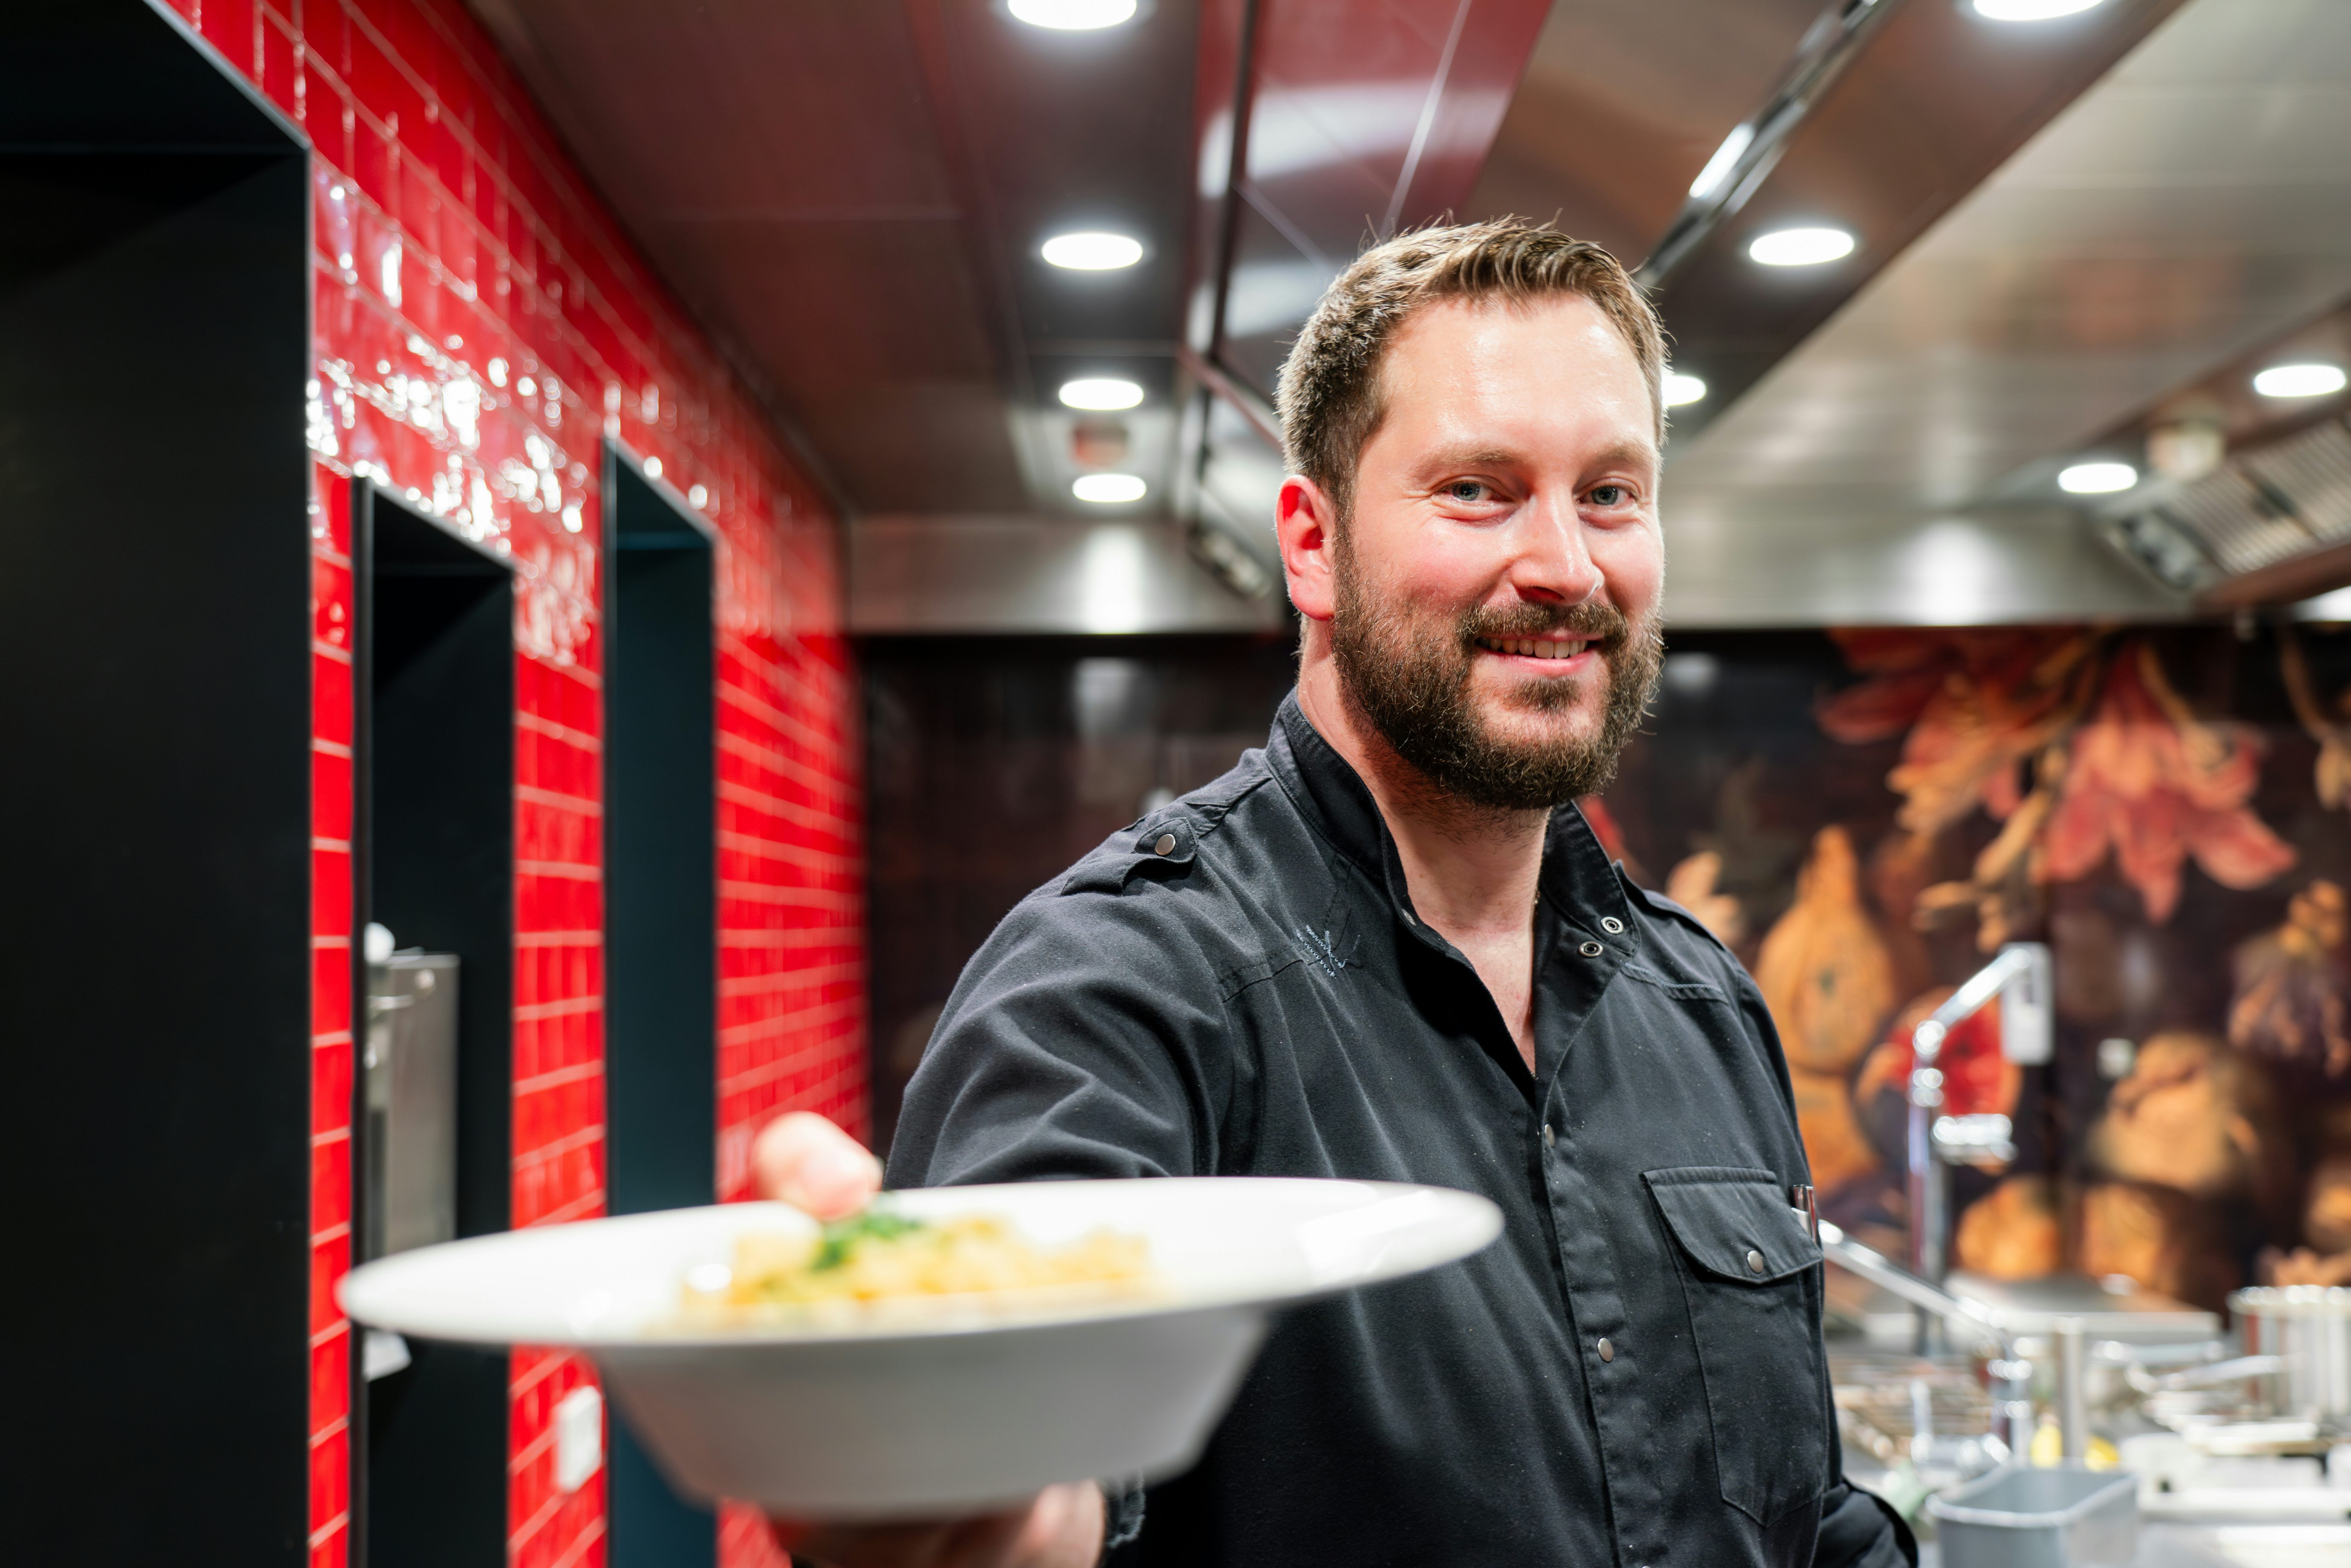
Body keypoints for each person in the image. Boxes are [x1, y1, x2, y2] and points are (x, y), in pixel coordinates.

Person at [757, 220, 1914, 1568]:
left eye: (1609, 492)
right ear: (1310, 543)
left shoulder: (1700, 1004)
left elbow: (1797, 1518)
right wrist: (992, 1507)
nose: (1566, 566)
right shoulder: (1112, 991)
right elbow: (1027, 1472)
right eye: (1479, 489)